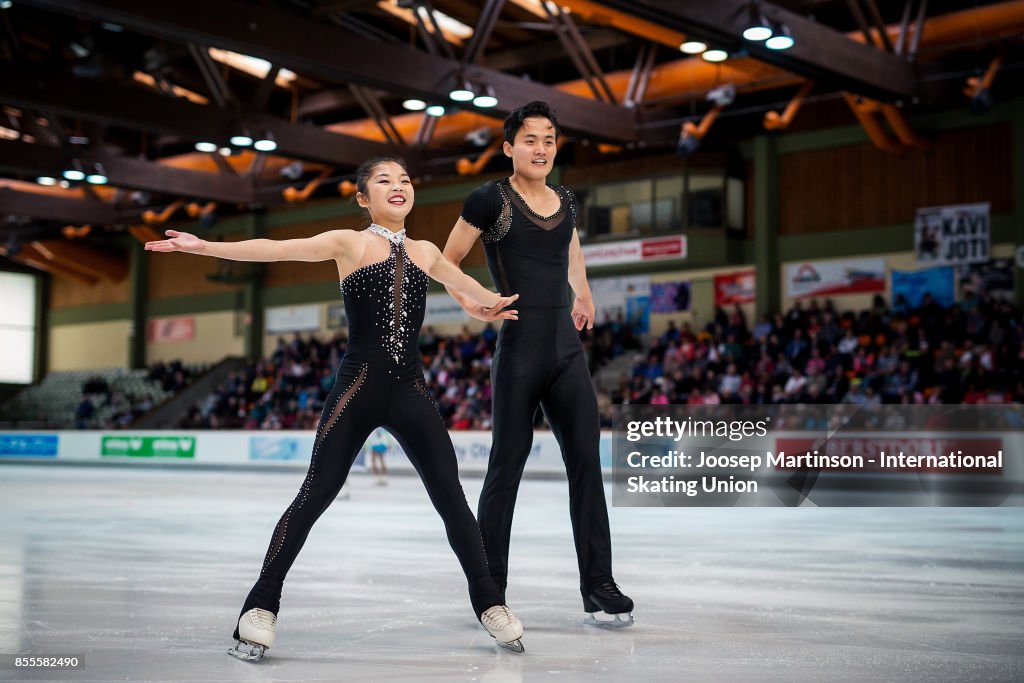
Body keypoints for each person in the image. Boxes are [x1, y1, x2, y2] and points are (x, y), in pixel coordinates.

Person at [145, 156, 526, 659]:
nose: (398, 187)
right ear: (364, 198)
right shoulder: (349, 242)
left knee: (451, 497)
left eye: (405, 180)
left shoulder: (425, 250)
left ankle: (489, 602)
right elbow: (276, 249)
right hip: (358, 387)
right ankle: (259, 607)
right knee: (316, 492)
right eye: (384, 181)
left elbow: (463, 284)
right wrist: (204, 246)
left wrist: (490, 301)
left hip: (411, 389)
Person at [441, 101, 634, 627]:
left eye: (549, 139)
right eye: (530, 139)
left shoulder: (568, 200)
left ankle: (599, 585)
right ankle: (489, 589)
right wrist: (474, 302)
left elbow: (571, 250)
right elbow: (446, 261)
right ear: (509, 147)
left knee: (587, 468)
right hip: (520, 348)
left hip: (567, 351)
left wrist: (585, 294)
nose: (541, 148)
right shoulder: (488, 199)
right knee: (506, 467)